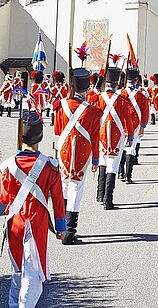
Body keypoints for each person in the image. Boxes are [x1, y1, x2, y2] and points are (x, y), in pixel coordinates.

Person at [0, 111, 67, 308]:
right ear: (40, 136)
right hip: (36, 225)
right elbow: (57, 201)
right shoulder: (50, 166)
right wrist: (60, 227)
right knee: (33, 274)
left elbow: (4, 198)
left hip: (15, 223)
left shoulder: (9, 165)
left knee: (17, 271)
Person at [53, 67, 102, 244]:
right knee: (76, 188)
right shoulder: (92, 110)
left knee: (64, 187)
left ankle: (62, 228)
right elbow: (95, 138)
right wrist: (96, 159)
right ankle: (70, 232)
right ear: (86, 88)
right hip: (82, 153)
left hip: (64, 151)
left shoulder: (61, 106)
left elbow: (58, 131)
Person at [95, 66, 135, 210]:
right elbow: (128, 120)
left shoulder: (98, 98)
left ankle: (99, 194)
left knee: (102, 162)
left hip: (101, 135)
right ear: (117, 84)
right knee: (112, 166)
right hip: (117, 137)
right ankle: (108, 200)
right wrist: (130, 135)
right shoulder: (122, 100)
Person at [120, 68, 149, 184]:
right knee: (131, 149)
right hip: (135, 125)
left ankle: (120, 173)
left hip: (121, 124)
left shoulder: (120, 94)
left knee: (121, 147)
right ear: (137, 81)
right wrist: (143, 126)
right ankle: (128, 176)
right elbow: (145, 112)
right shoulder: (141, 96)